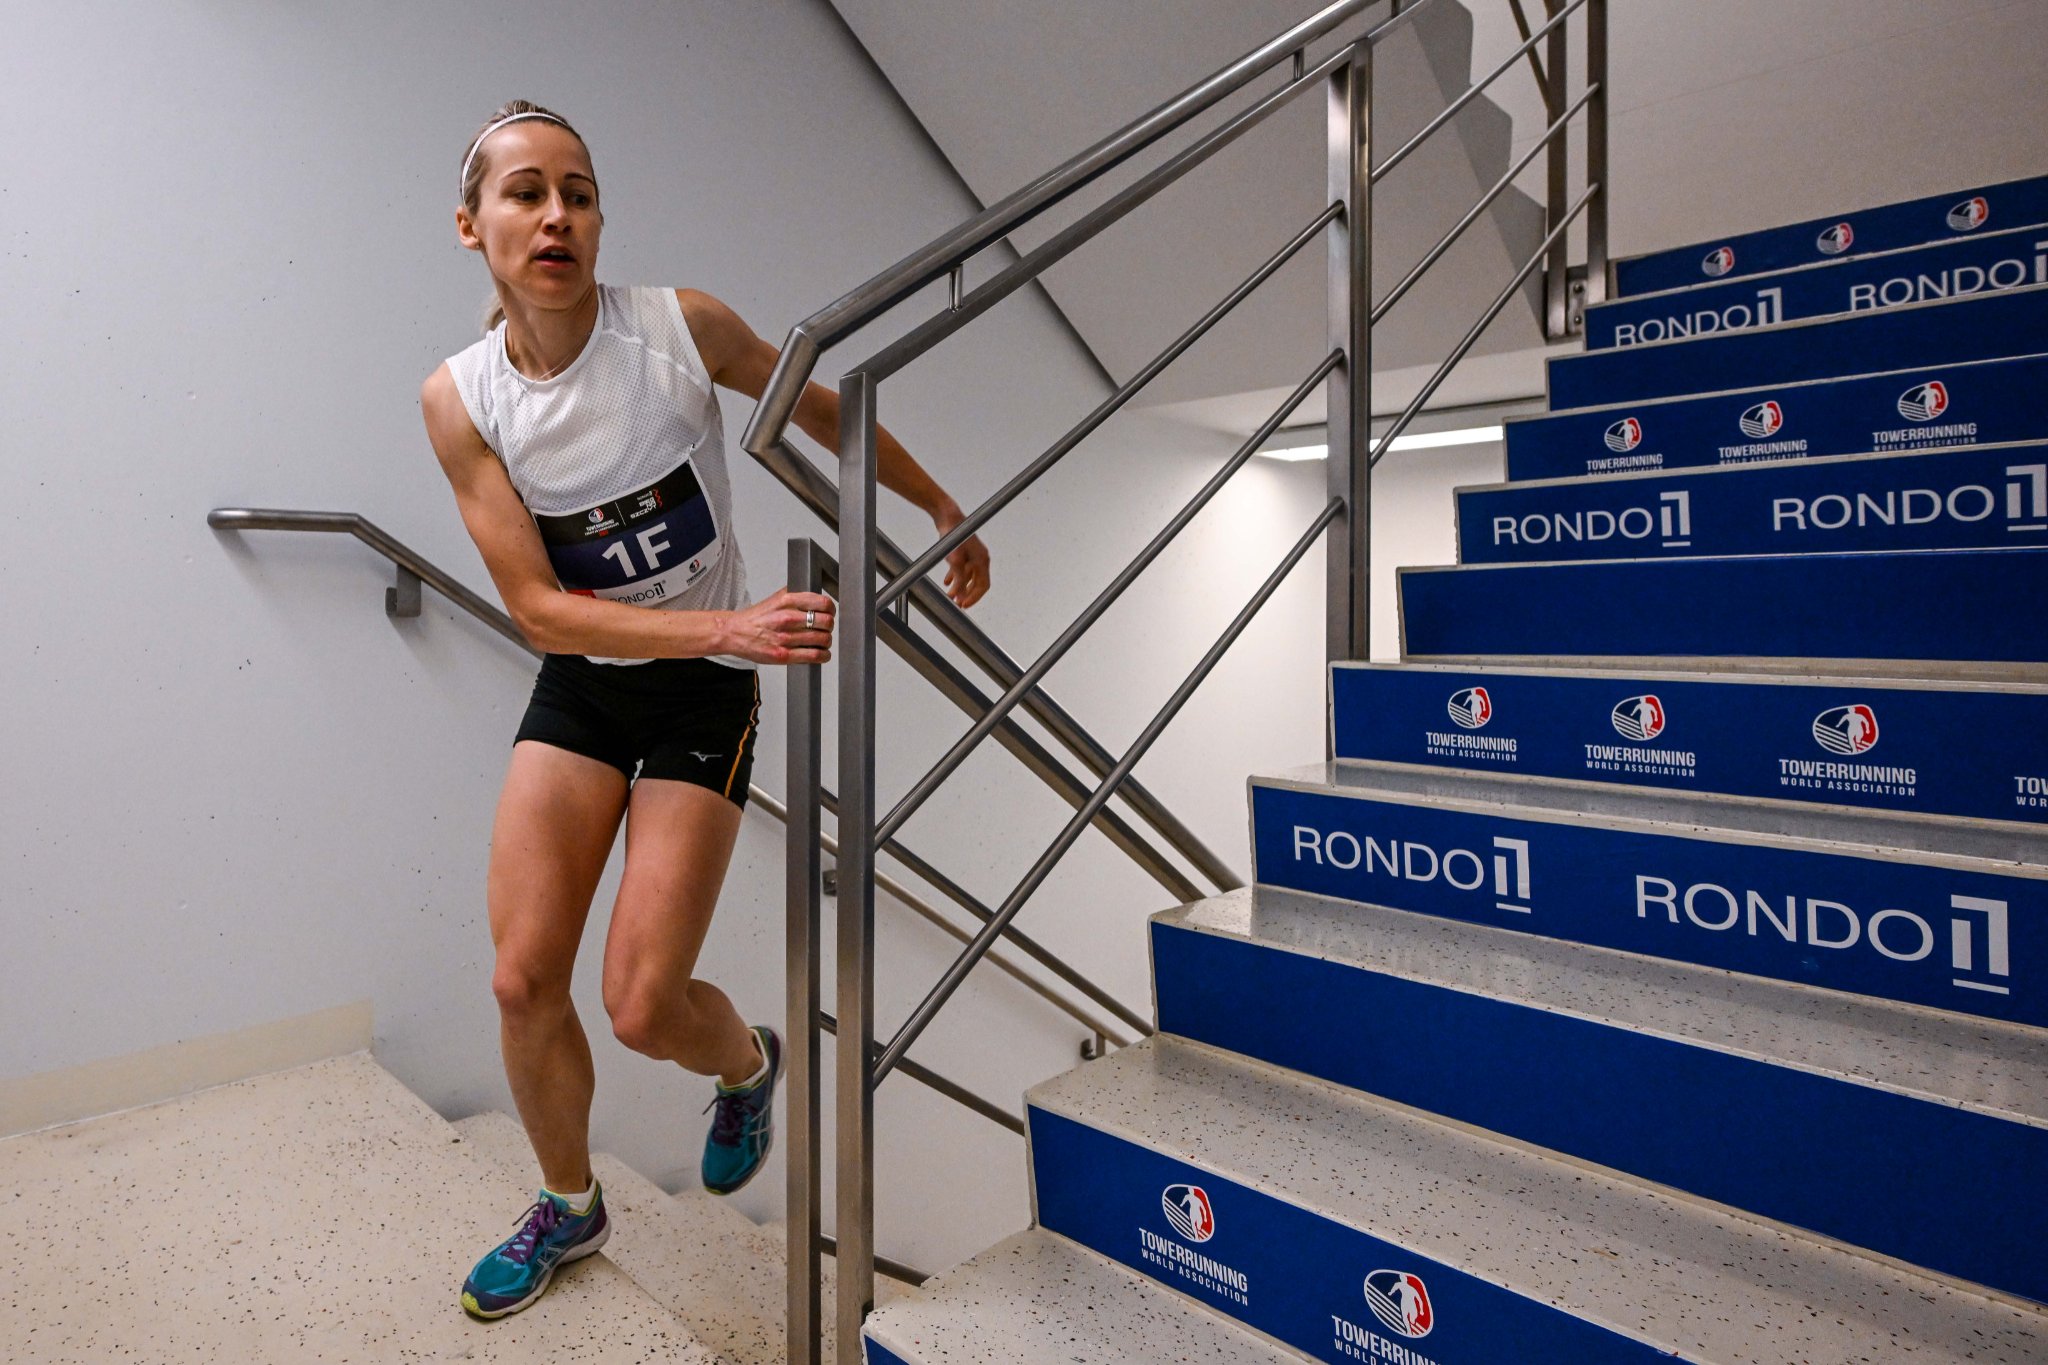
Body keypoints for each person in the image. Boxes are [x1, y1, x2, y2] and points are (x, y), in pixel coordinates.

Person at [418, 100, 991, 1322]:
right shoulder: (461, 400)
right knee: (522, 980)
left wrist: (937, 506)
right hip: (592, 681)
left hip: (700, 700)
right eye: (525, 192)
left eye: (578, 192)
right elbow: (539, 609)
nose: (557, 216)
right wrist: (724, 625)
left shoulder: (681, 329)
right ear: (471, 226)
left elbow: (822, 411)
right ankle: (567, 1205)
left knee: (638, 1007)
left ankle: (745, 1065)